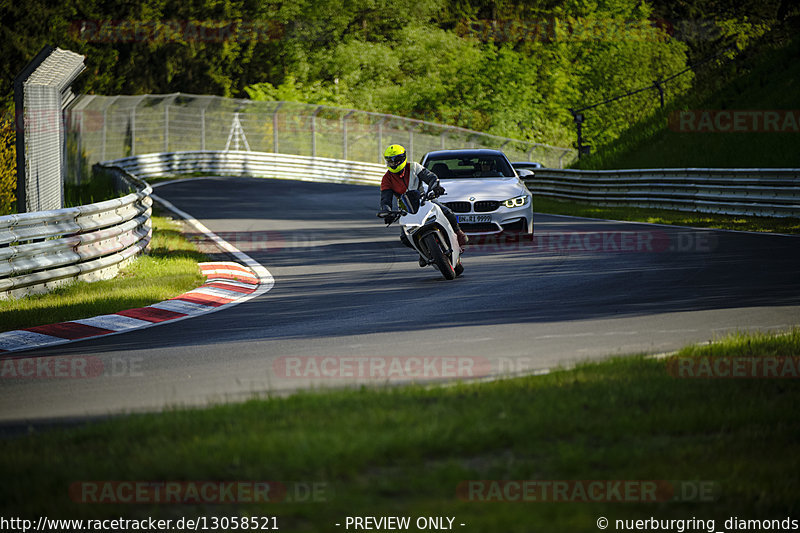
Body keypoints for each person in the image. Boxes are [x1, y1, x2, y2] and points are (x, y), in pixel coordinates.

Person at [378, 144, 468, 248]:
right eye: (389, 161)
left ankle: (458, 232)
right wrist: (386, 211)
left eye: (395, 160)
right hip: (405, 207)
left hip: (423, 199)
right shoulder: (386, 179)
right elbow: (385, 198)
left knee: (447, 211)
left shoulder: (414, 167)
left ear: (402, 158)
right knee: (405, 238)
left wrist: (436, 186)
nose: (393, 163)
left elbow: (430, 177)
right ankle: (423, 252)